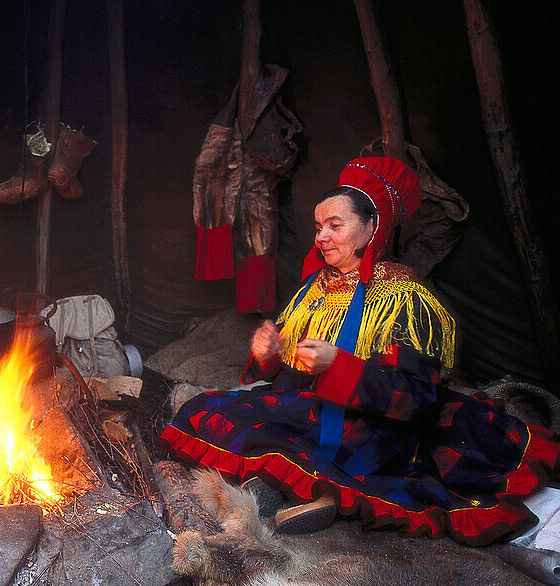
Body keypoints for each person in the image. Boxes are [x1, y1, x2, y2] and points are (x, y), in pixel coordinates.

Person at [162, 156, 559, 546]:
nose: (321, 237)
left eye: (335, 226)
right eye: (319, 227)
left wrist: (339, 365)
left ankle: (308, 491)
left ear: (372, 227)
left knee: (301, 437)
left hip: (377, 425)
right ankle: (298, 490)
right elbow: (292, 374)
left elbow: (416, 400)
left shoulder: (403, 300)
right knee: (206, 410)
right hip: (314, 405)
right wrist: (270, 354)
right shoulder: (313, 289)